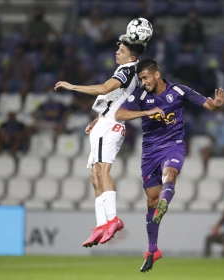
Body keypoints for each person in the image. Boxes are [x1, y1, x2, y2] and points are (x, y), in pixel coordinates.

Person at [115, 58, 224, 272]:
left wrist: (216, 105)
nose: (143, 81)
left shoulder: (179, 91)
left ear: (157, 74)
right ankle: (152, 250)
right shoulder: (140, 95)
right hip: (149, 152)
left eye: (145, 77)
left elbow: (208, 104)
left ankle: (165, 203)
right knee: (151, 200)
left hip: (173, 146)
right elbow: (119, 113)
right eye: (140, 78)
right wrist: (146, 112)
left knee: (171, 173)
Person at [54, 35, 146, 246]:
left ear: (131, 56)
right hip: (105, 122)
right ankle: (101, 224)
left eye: (121, 51)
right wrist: (98, 118)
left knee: (103, 172)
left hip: (111, 125)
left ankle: (113, 219)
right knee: (95, 176)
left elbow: (105, 89)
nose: (117, 53)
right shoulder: (127, 70)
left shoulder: (127, 69)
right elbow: (117, 100)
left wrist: (72, 87)